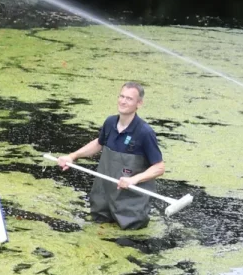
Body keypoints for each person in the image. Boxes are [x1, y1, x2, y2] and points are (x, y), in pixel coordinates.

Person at [57, 81, 166, 229]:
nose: (123, 101)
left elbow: (159, 167)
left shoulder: (144, 132)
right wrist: (72, 156)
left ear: (139, 104)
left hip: (129, 206)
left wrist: (134, 179)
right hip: (104, 199)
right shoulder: (110, 123)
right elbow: (98, 143)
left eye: (129, 98)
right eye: (121, 96)